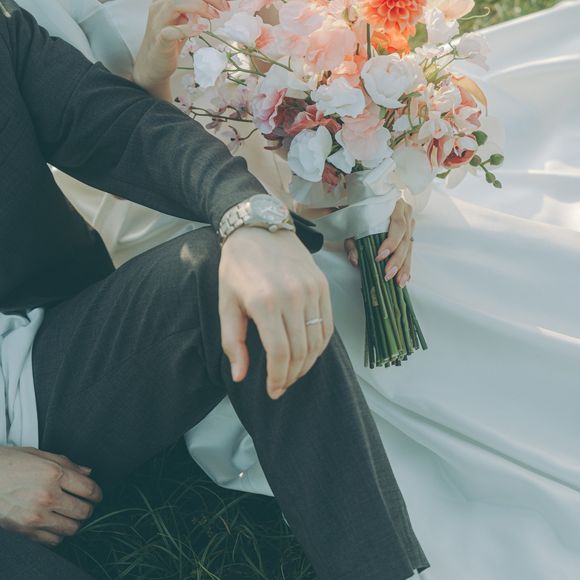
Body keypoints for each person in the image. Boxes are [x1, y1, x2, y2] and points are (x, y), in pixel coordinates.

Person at [22, 0, 580, 578]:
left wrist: (382, 178)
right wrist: (153, 78)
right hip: (169, 203)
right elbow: (112, 138)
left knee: (430, 267)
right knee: (319, 289)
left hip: (303, 153)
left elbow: (336, 35)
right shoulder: (38, 20)